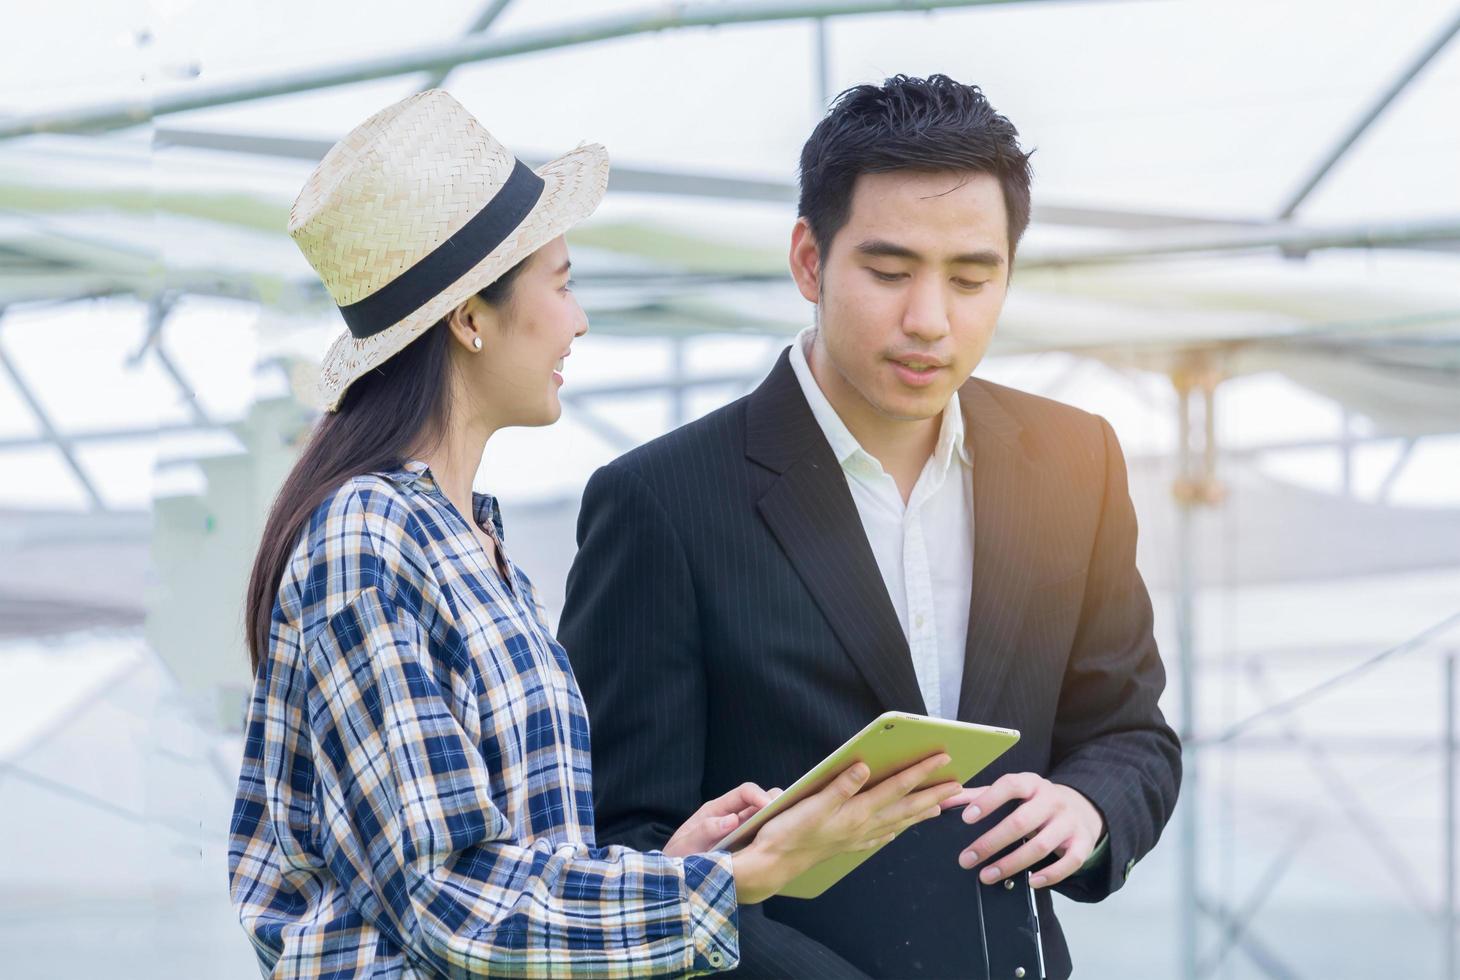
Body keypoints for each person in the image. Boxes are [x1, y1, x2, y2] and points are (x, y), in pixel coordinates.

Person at [226, 89, 961, 979]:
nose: (579, 319)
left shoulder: (469, 540)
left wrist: (673, 867)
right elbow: (453, 904)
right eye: (563, 283)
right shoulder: (366, 539)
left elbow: (518, 871)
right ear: (469, 318)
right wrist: (740, 877)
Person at [560, 74, 1183, 979]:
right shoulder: (661, 500)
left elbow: (1130, 731)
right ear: (810, 261)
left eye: (974, 278)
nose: (930, 320)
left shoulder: (1076, 460)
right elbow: (621, 841)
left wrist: (1088, 810)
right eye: (888, 274)